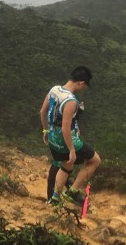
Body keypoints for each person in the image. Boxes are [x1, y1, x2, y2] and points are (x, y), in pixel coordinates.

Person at [39, 65, 100, 207]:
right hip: (65, 140)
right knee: (95, 160)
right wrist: (72, 149)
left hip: (53, 139)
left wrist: (46, 131)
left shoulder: (54, 89)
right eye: (84, 86)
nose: (84, 88)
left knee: (66, 165)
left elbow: (42, 112)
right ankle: (73, 191)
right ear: (80, 82)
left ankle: (55, 197)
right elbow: (65, 128)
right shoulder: (71, 101)